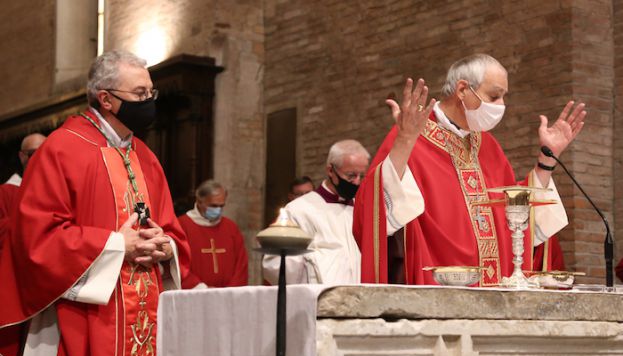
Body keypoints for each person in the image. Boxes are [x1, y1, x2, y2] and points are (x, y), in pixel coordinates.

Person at [0, 50, 191, 356]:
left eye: (152, 93)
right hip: (81, 316)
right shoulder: (62, 150)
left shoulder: (145, 157)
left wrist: (166, 248)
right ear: (106, 99)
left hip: (143, 319)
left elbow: (171, 228)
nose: (150, 102)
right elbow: (37, 240)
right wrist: (117, 245)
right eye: (140, 94)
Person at [354, 54, 585, 285]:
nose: (501, 105)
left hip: (496, 290)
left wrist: (547, 160)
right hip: (437, 290)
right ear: (462, 89)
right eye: (494, 96)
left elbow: (515, 215)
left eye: (504, 97)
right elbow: (374, 210)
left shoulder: (488, 145)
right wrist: (404, 140)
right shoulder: (412, 135)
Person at [263, 139, 369, 285]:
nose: (357, 182)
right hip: (317, 301)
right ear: (330, 170)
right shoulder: (299, 210)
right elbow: (275, 265)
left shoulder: (362, 209)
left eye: (361, 176)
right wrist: (316, 263)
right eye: (351, 175)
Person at [178, 180, 249, 288]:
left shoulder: (231, 227)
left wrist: (231, 291)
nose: (218, 210)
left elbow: (241, 265)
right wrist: (201, 288)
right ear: (199, 201)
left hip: (228, 297)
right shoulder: (182, 226)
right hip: (194, 295)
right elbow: (178, 264)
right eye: (214, 206)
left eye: (221, 206)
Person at [0, 133, 47, 251]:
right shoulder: (6, 193)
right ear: (22, 156)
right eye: (33, 153)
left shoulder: (60, 190)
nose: (39, 157)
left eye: (45, 152)